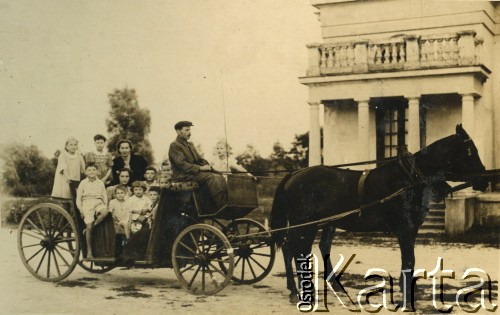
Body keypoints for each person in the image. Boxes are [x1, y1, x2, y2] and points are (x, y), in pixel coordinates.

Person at [168, 121, 228, 209]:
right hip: (182, 175)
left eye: (189, 130)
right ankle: (222, 205)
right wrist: (200, 168)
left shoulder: (190, 145)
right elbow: (181, 164)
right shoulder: (174, 145)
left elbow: (199, 160)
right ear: (178, 131)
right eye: (186, 130)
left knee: (218, 176)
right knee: (210, 177)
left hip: (193, 174)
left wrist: (210, 168)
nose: (189, 132)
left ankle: (226, 202)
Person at [76, 162, 109, 259]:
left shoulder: (100, 183)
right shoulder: (83, 183)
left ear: (97, 171)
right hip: (87, 203)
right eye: (89, 170)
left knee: (105, 213)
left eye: (94, 170)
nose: (91, 172)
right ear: (86, 172)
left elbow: (104, 196)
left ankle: (90, 229)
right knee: (89, 224)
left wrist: (105, 206)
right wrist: (81, 210)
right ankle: (89, 251)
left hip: (98, 202)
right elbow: (78, 198)